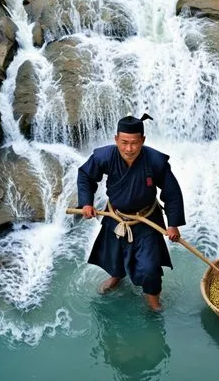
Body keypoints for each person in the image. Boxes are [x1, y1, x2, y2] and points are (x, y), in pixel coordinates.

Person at [77, 113, 185, 311]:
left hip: (146, 220)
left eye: (135, 143)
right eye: (124, 142)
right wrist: (86, 203)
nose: (129, 148)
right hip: (115, 217)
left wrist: (173, 224)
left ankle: (153, 303)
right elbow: (85, 175)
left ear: (142, 140)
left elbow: (172, 192)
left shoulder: (155, 161)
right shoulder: (105, 156)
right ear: (116, 139)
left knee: (150, 267)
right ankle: (117, 277)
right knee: (114, 255)